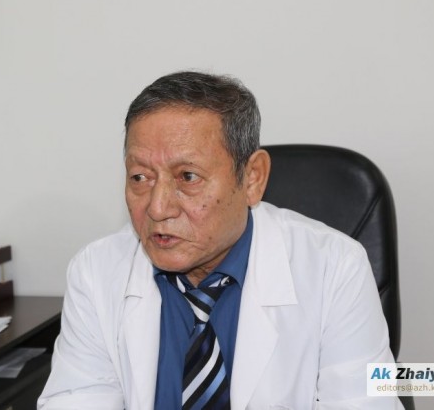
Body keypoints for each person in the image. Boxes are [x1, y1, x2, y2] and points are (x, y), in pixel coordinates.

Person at [38, 71, 402, 409]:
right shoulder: (95, 271)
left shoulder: (336, 267)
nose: (158, 208)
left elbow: (365, 401)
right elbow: (77, 398)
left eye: (188, 177)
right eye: (139, 178)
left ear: (253, 178)